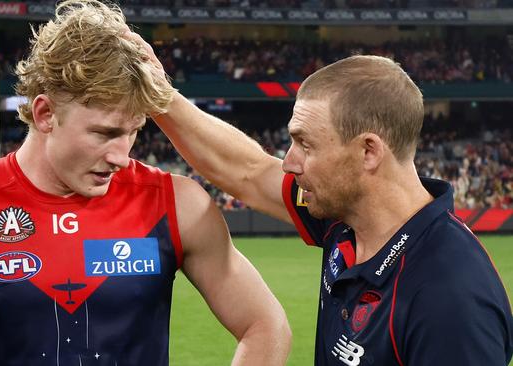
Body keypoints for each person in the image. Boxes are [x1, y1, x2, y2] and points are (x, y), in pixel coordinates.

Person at [0, 1, 291, 365]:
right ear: (45, 113)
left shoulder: (178, 204)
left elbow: (265, 325)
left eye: (135, 131)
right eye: (105, 133)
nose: (122, 156)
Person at [131, 38, 513, 365]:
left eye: (305, 144)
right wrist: (160, 95)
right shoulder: (344, 217)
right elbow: (246, 171)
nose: (289, 162)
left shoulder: (452, 297)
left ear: (368, 152)